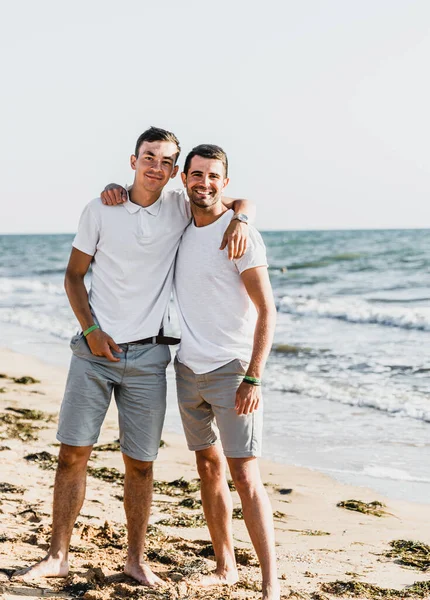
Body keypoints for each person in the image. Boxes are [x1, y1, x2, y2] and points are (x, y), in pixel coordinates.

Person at [13, 127, 254, 587]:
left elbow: (233, 200)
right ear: (133, 160)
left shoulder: (181, 207)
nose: (156, 167)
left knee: (141, 463)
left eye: (167, 162)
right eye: (150, 157)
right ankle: (57, 555)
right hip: (93, 353)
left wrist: (243, 219)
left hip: (150, 359)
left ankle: (135, 560)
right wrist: (92, 331)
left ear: (176, 172)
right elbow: (73, 277)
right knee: (72, 455)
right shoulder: (100, 208)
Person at [173, 144, 280, 600]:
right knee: (207, 468)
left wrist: (254, 376)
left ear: (225, 182)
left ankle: (270, 581)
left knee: (246, 475)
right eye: (197, 175)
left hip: (232, 371)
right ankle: (225, 566)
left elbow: (267, 311)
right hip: (186, 368)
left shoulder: (240, 234)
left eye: (214, 176)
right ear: (184, 178)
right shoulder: (178, 220)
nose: (205, 183)